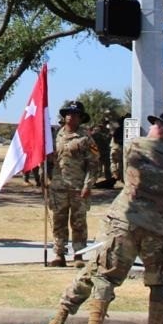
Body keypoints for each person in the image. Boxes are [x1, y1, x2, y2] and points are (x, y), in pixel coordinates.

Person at [47, 111, 163, 324]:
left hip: (122, 222)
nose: (150, 126)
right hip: (156, 228)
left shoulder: (134, 145)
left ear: (161, 126)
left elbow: (126, 174)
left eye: (154, 124)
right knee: (161, 283)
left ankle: (78, 321)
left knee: (102, 275)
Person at [46, 100, 99, 267]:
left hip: (78, 187)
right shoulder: (55, 136)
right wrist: (46, 180)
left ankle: (78, 255)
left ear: (81, 118)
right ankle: (59, 254)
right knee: (58, 221)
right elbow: (49, 161)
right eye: (68, 113)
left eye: (75, 114)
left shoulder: (85, 137)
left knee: (78, 223)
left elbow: (93, 164)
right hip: (58, 187)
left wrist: (87, 186)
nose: (71, 117)